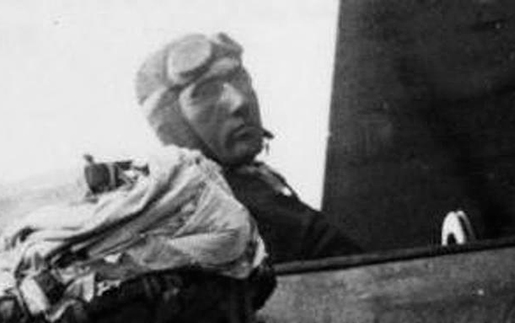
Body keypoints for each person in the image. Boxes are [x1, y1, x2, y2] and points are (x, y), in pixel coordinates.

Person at [134, 32, 363, 264]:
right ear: (175, 124)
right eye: (205, 93)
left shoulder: (258, 192)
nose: (239, 102)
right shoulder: (225, 212)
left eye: (239, 79)